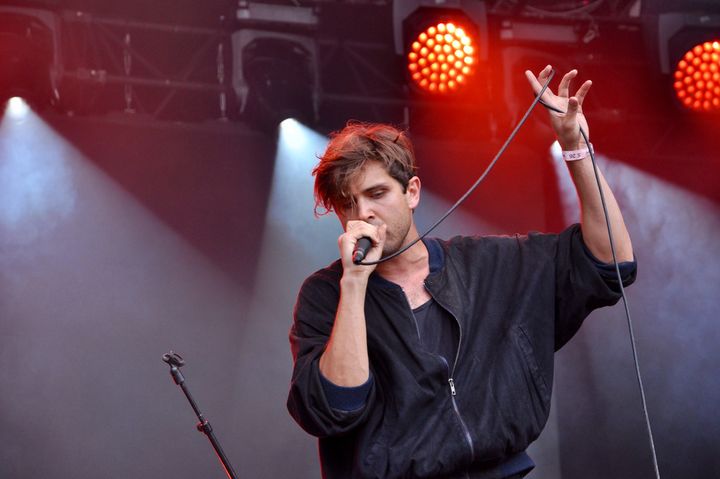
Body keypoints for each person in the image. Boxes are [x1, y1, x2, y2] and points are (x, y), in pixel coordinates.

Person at [286, 66, 637, 479]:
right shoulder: (328, 295)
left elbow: (611, 263)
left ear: (411, 192)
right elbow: (335, 407)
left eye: (377, 194)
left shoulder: (492, 264)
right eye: (348, 204)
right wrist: (356, 282)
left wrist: (575, 146)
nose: (363, 212)